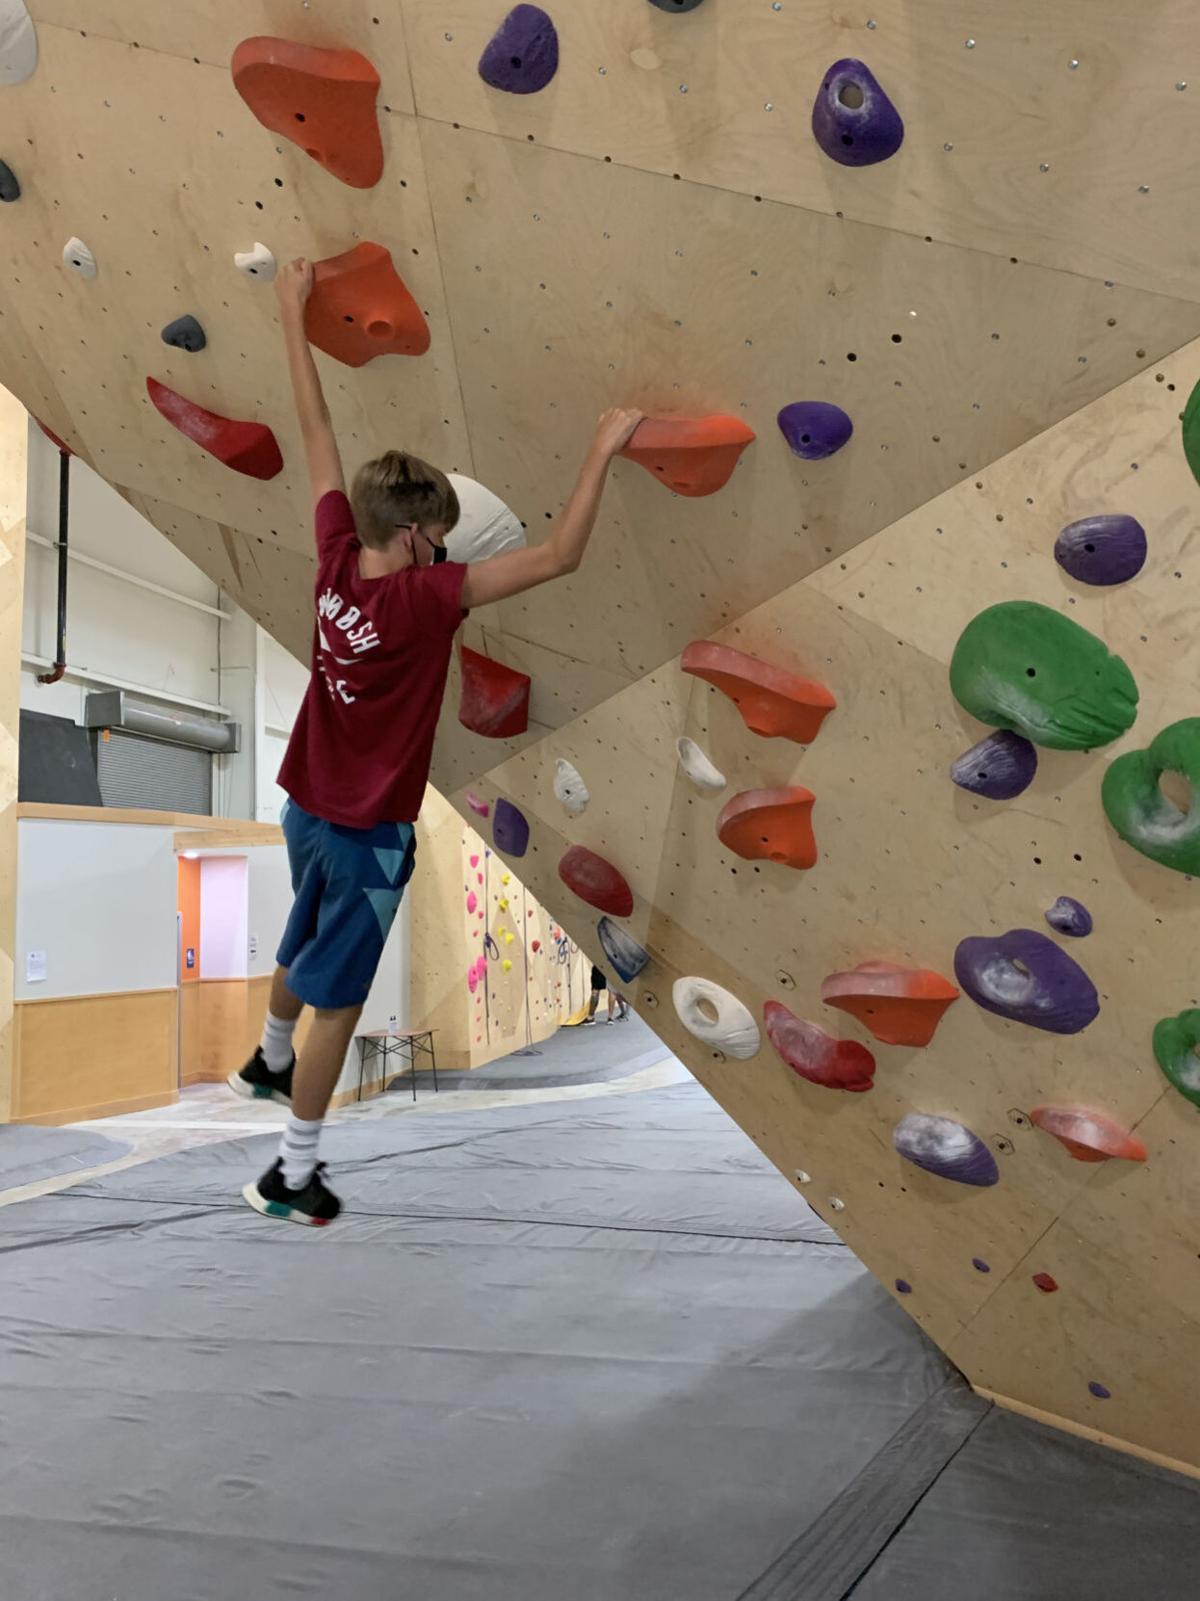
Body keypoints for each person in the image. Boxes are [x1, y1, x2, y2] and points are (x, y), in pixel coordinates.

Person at [227, 256, 642, 1225]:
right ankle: (290, 1169)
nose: (448, 548)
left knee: (305, 933)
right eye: (442, 534)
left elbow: (316, 431)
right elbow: (560, 555)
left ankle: (266, 1055)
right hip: (369, 827)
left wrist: (290, 311)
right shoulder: (423, 599)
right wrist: (602, 447)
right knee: (338, 994)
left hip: (303, 802)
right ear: (413, 537)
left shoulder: (335, 548)